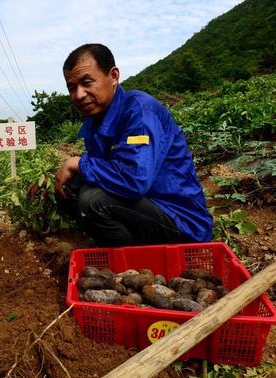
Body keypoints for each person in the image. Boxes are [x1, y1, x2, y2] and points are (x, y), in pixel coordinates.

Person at [55, 43, 213, 247]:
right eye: (72, 88)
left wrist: (79, 163)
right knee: (69, 186)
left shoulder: (140, 112)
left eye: (87, 82)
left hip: (181, 222)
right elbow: (106, 173)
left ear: (113, 76)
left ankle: (132, 262)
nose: (79, 94)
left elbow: (133, 181)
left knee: (93, 201)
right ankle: (118, 245)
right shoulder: (96, 121)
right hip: (146, 207)